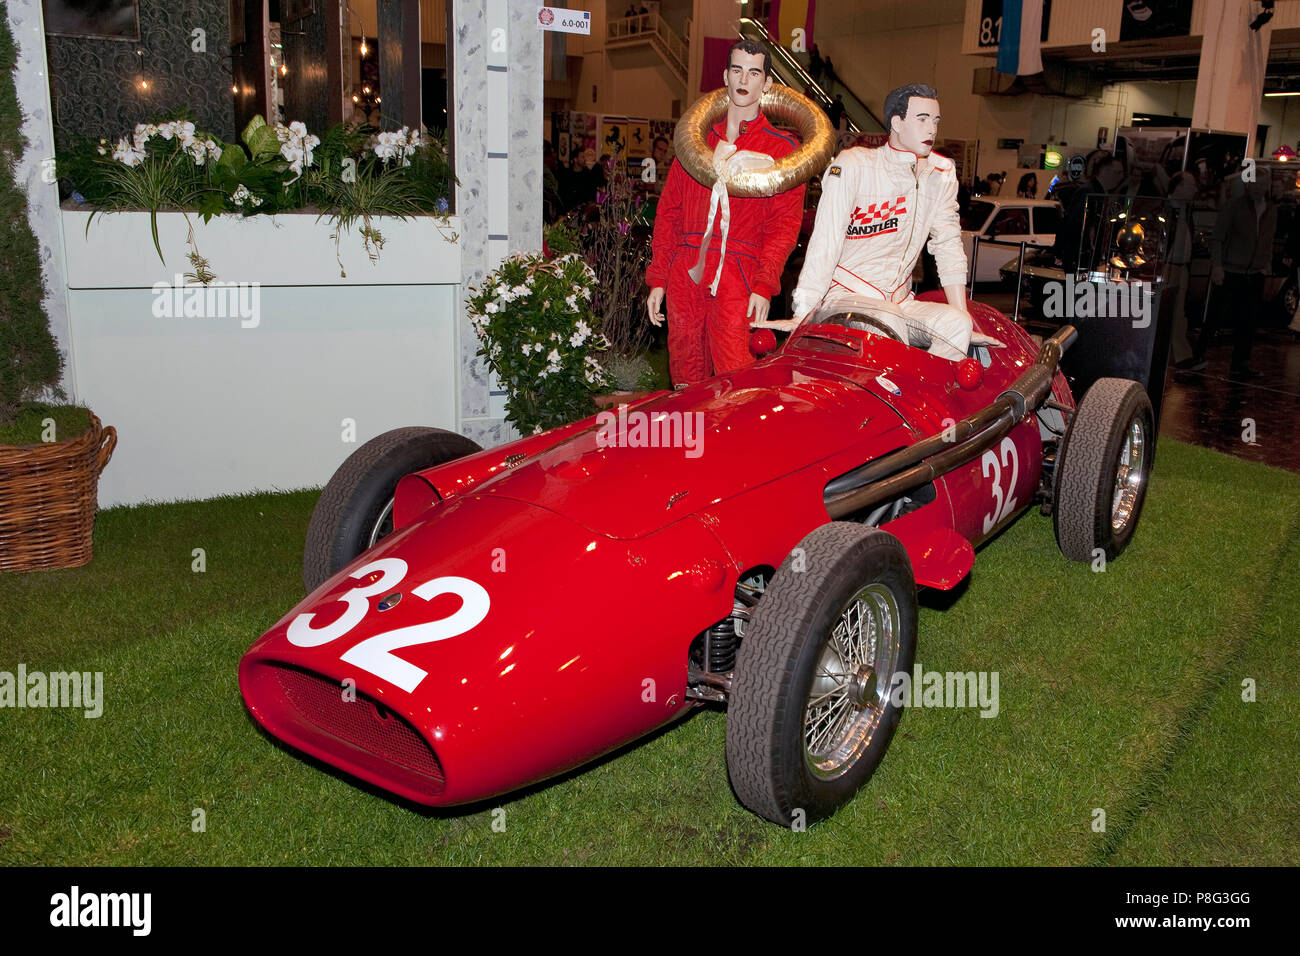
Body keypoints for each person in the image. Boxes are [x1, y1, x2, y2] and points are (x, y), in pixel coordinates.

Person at [770, 82, 973, 361]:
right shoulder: (855, 164)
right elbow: (826, 241)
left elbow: (948, 244)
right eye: (922, 119)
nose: (931, 129)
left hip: (899, 301)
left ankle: (920, 395)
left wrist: (962, 313)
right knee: (888, 322)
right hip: (846, 295)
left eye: (935, 120)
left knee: (957, 325)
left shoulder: (941, 172)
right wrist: (803, 311)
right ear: (896, 123)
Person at [644, 39, 806, 385]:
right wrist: (659, 277)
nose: (743, 80)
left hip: (739, 274)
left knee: (737, 378)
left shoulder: (782, 151)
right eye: (736, 70)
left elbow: (784, 226)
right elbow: (669, 214)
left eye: (753, 72)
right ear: (725, 76)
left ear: (767, 83)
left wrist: (764, 285)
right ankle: (689, 440)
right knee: (685, 376)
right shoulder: (696, 143)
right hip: (686, 272)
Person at [1190, 173, 1275, 379]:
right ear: (1248, 185)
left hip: (1254, 272)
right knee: (1215, 316)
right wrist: (1217, 266)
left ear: (1267, 186)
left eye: (1262, 184)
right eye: (1255, 184)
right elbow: (1218, 237)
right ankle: (1198, 355)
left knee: (1248, 321)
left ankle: (1240, 363)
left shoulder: (1271, 209)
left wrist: (1266, 262)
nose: (1258, 188)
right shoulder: (1234, 206)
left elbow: (1268, 237)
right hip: (1231, 270)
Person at [1054, 153, 1124, 272]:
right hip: (1080, 257)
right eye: (1117, 173)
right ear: (1105, 171)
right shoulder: (1089, 192)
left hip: (1087, 257)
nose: (1120, 177)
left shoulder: (1099, 193)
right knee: (1074, 288)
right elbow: (1073, 224)